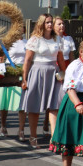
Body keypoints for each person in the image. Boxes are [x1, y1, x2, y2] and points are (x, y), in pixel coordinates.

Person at [20, 15, 67, 148]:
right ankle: (33, 136)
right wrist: (24, 78)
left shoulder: (57, 39)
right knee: (34, 106)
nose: (50, 24)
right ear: (42, 23)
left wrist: (65, 75)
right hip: (37, 72)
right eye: (47, 22)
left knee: (55, 105)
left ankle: (54, 136)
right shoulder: (35, 39)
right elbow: (28, 60)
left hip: (53, 71)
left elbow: (61, 59)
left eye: (51, 22)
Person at [0, 37, 26, 139]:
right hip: (9, 71)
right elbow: (0, 57)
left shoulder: (27, 42)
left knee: (23, 103)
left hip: (22, 72)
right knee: (4, 102)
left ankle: (21, 130)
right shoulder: (7, 42)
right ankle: (3, 126)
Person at [46, 17, 76, 134]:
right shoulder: (51, 39)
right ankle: (49, 123)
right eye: (59, 24)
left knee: (65, 96)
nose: (62, 26)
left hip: (67, 67)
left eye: (63, 24)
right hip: (55, 66)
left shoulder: (68, 38)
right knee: (54, 97)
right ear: (53, 26)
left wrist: (73, 69)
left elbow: (72, 55)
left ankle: (62, 125)